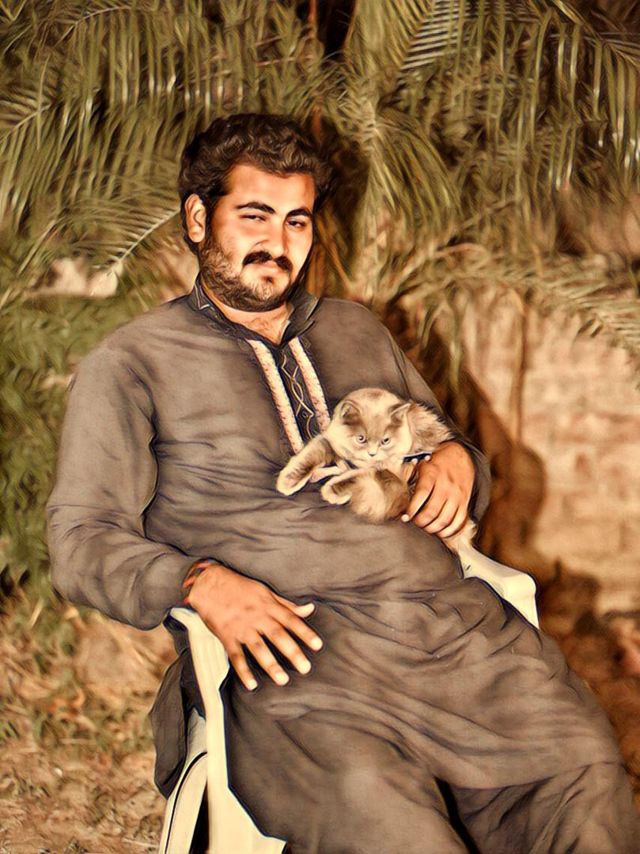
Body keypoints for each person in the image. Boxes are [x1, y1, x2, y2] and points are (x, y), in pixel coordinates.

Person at [46, 113, 639, 853]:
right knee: (391, 826)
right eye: (254, 215)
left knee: (586, 774)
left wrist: (458, 462)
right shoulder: (131, 363)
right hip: (298, 661)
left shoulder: (356, 331)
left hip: (451, 636)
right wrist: (198, 583)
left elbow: (445, 447)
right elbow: (80, 540)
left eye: (297, 220)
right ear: (198, 219)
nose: (278, 241)